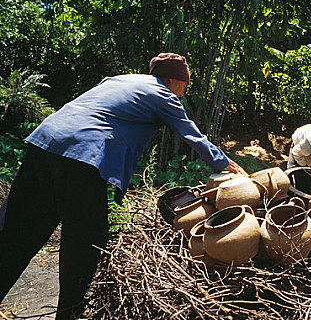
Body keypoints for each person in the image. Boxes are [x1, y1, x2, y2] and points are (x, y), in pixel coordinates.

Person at [0, 53, 247, 319]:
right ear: (173, 80)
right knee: (86, 239)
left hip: (45, 142)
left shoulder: (119, 79)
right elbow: (192, 135)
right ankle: (68, 314)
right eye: (184, 86)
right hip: (82, 153)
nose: (183, 93)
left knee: (19, 229)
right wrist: (224, 163)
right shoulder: (162, 95)